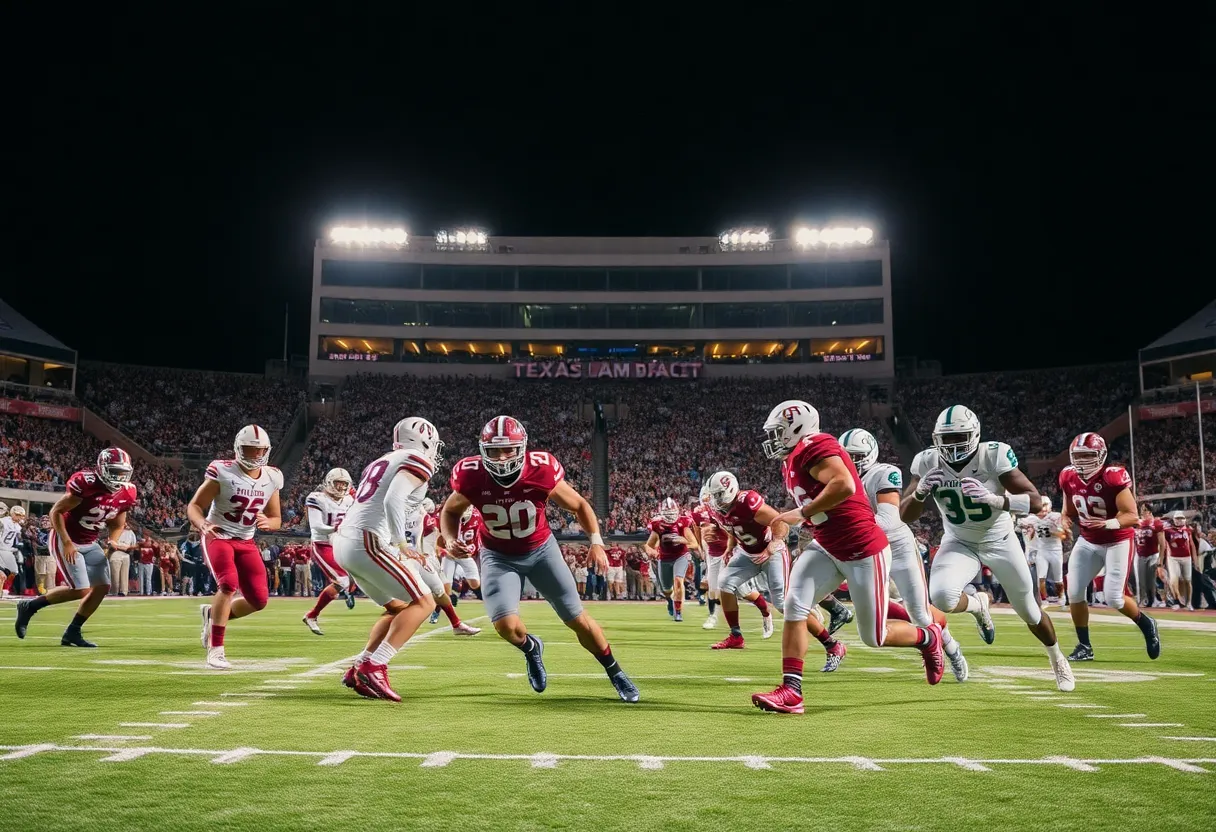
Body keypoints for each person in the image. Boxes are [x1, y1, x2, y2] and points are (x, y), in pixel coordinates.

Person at [751, 401, 945, 715]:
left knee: (875, 636)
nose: (773, 439)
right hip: (828, 545)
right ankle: (792, 690)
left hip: (861, 548)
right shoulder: (791, 459)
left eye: (778, 432)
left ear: (797, 428)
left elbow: (843, 484)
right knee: (793, 604)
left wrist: (799, 514)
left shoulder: (816, 445)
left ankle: (927, 637)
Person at [442, 415, 639, 702]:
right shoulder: (471, 474)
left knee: (577, 619)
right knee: (505, 627)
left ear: (522, 448)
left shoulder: (540, 470)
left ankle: (615, 671)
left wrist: (596, 542)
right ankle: (531, 648)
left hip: (541, 551)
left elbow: (579, 505)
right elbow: (450, 511)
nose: (501, 457)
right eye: (494, 450)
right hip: (498, 556)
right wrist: (449, 538)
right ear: (482, 451)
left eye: (509, 449)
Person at [901, 405, 1074, 692]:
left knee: (1030, 611)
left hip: (1000, 540)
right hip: (959, 541)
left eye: (959, 437)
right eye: (947, 438)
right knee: (941, 597)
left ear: (974, 434)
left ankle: (1057, 658)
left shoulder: (992, 455)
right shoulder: (927, 461)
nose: (953, 445)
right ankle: (979, 604)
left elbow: (1034, 501)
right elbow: (905, 515)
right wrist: (919, 493)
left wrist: (995, 499)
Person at [840, 428, 971, 682]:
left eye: (856, 456)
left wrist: (847, 527)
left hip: (895, 548)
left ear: (869, 455)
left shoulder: (883, 472)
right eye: (847, 456)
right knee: (874, 613)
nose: (852, 462)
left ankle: (951, 649)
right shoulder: (836, 478)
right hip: (865, 552)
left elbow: (889, 520)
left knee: (920, 614)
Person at [332, 417, 441, 701]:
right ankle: (374, 665)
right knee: (424, 602)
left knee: (397, 608)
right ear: (425, 440)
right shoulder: (416, 458)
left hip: (346, 541)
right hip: (366, 540)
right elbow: (393, 499)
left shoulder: (381, 460)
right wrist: (402, 544)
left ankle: (359, 666)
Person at [14, 449, 137, 647]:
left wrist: (113, 541)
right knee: (81, 589)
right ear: (102, 468)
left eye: (122, 473)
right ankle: (29, 606)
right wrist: (68, 542)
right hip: (66, 538)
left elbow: (117, 524)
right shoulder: (86, 483)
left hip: (90, 541)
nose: (118, 477)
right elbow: (56, 511)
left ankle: (73, 632)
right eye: (114, 471)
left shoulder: (128, 491)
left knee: (102, 586)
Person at [1058, 432, 1160, 662]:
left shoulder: (1113, 476)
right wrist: (1064, 522)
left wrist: (1108, 523)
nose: (1082, 461)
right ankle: (1084, 646)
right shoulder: (1067, 476)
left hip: (1118, 541)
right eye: (1078, 456)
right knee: (1074, 591)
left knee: (1113, 597)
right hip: (1088, 540)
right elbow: (1068, 512)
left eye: (1088, 456)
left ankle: (1146, 623)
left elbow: (1133, 516)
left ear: (1101, 455)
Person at [189, 425, 284, 670]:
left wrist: (269, 523)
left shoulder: (272, 476)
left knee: (259, 600)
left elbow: (276, 517)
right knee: (228, 584)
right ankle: (216, 649)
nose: (254, 455)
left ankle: (213, 615)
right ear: (238, 449)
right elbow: (195, 506)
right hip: (218, 534)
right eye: (249, 450)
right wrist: (202, 524)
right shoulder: (222, 471)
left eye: (258, 450)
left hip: (246, 539)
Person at [302, 467, 356, 635]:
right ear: (328, 482)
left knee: (354, 577)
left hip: (342, 543)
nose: (341, 487)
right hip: (323, 544)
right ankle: (312, 615)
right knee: (341, 581)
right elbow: (316, 525)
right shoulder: (317, 498)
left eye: (344, 484)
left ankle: (349, 591)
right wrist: (338, 528)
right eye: (338, 483)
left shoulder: (349, 500)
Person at [644, 497, 700, 622]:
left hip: (681, 556)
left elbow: (694, 544)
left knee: (678, 581)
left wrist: (683, 541)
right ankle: (669, 600)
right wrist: (651, 551)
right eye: (667, 513)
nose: (670, 516)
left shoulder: (682, 523)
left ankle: (678, 611)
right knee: (667, 590)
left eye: (672, 513)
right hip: (664, 558)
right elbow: (648, 545)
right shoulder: (657, 525)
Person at [1162, 510, 1197, 611]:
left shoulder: (1188, 530)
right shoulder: (1168, 531)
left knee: (1188, 580)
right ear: (1174, 520)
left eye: (1181, 518)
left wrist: (1195, 560)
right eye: (1177, 518)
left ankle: (1189, 602)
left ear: (1185, 520)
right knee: (1174, 579)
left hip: (1187, 557)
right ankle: (1176, 600)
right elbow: (1163, 544)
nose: (1179, 520)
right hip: (1173, 557)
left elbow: (1192, 545)